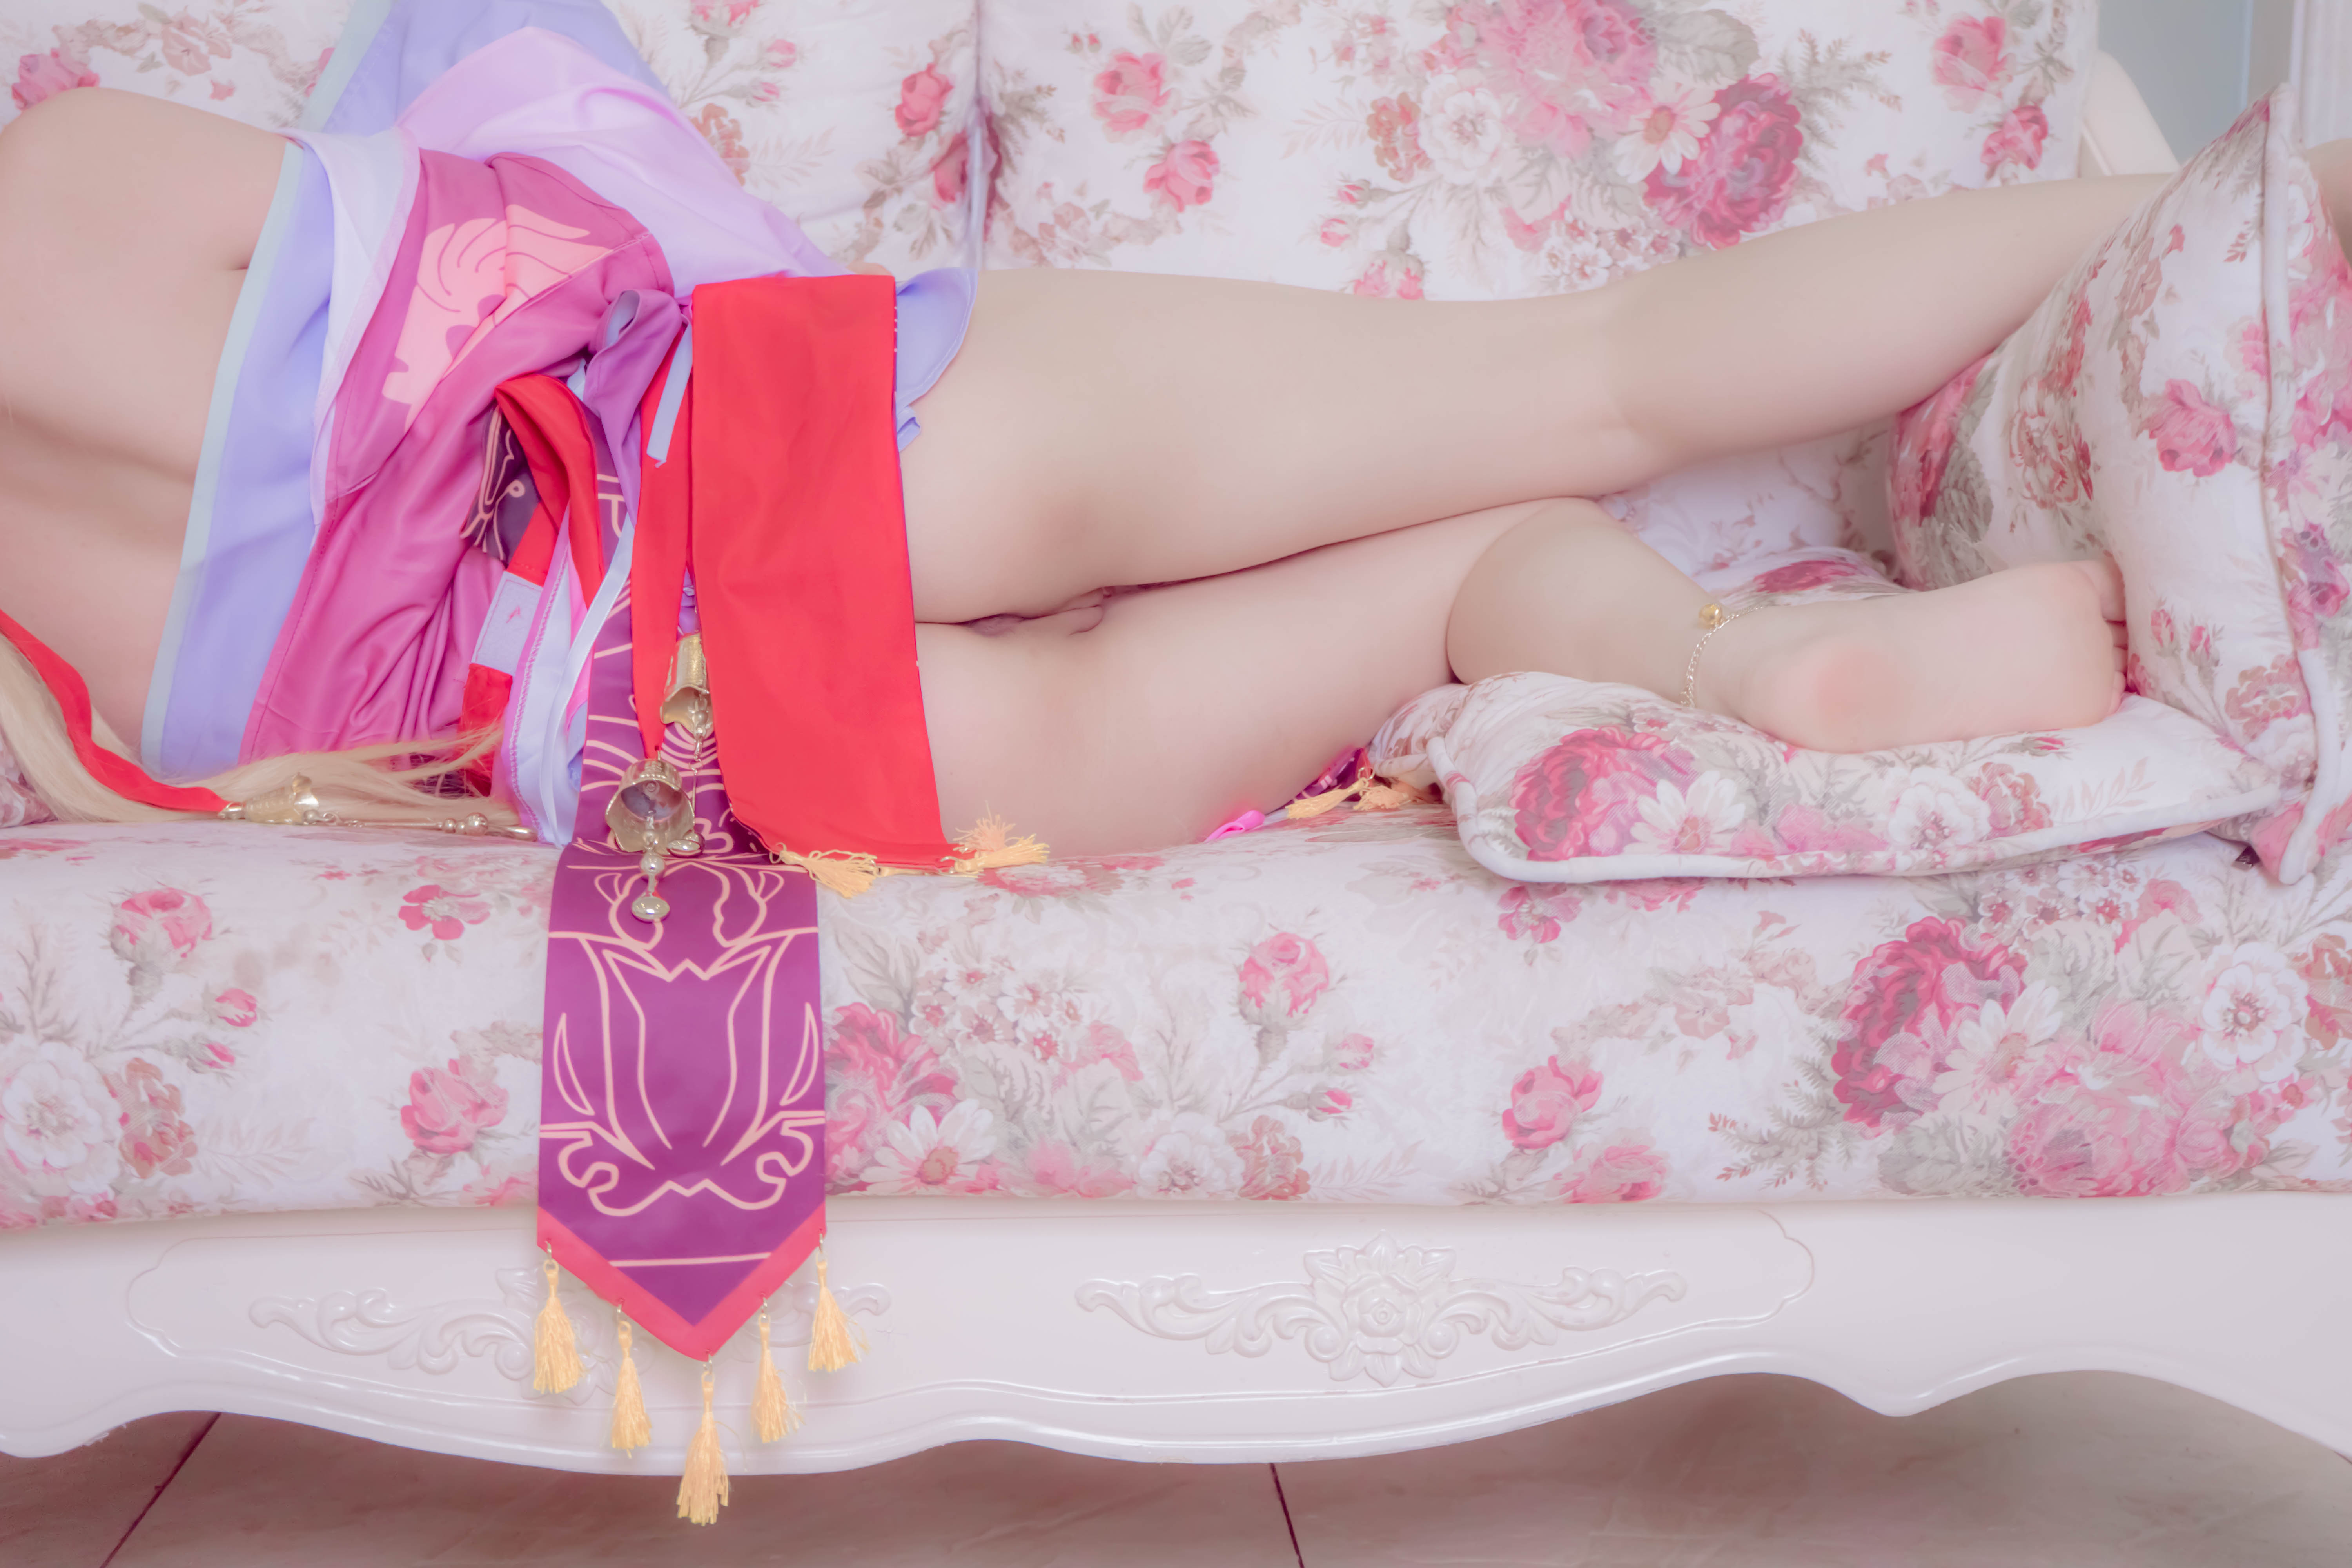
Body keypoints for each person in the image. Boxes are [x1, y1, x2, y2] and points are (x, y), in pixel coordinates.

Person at [2, 82, 2342, 859]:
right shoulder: (61, 197)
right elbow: (533, 261)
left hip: (732, 753)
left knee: (1461, 588)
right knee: (1597, 380)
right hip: (818, 449)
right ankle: (2258, 214)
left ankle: (1740, 667)